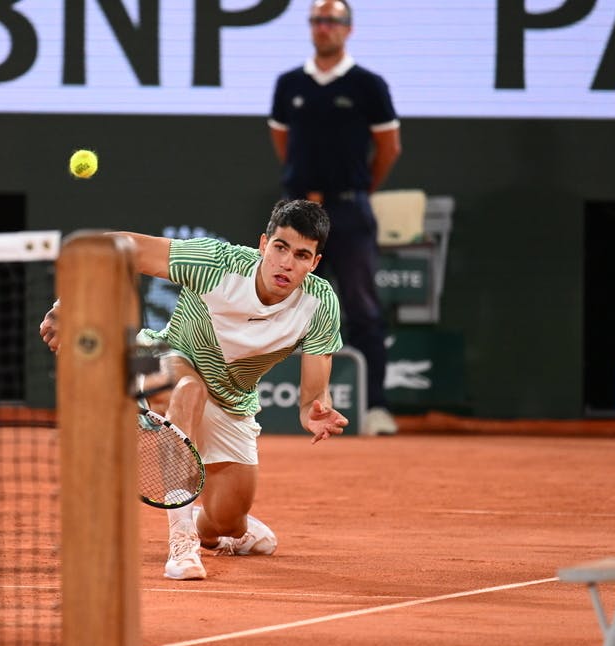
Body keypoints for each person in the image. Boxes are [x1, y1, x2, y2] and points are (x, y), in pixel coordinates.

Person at [39, 199, 349, 580]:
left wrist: (316, 411)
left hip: (232, 401)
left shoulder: (319, 305)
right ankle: (181, 542)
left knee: (228, 522)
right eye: (280, 248)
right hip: (157, 357)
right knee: (188, 389)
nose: (286, 263)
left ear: (314, 264)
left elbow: (311, 399)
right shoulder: (216, 263)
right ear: (263, 244)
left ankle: (208, 527)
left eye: (302, 255)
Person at [268, 0, 402, 436]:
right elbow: (283, 141)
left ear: (348, 28)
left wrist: (356, 191)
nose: (323, 28)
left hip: (350, 211)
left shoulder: (369, 85)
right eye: (317, 21)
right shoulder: (289, 84)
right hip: (296, 213)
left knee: (362, 307)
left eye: (331, 21)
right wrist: (306, 196)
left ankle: (376, 408)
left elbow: (388, 150)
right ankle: (266, 403)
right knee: (277, 301)